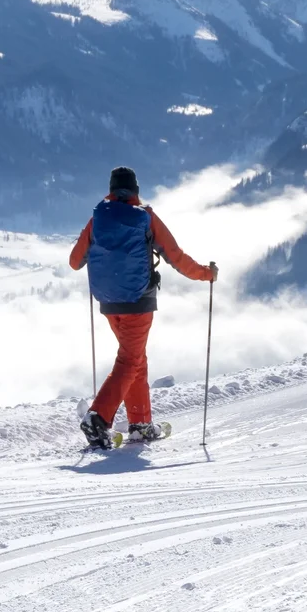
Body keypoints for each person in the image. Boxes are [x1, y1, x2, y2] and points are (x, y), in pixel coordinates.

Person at [69, 166, 217, 447]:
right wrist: (206, 274)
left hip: (109, 304)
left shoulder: (97, 219)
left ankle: (140, 425)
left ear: (111, 190)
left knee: (136, 358)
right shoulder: (145, 217)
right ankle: (97, 419)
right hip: (139, 302)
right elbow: (175, 256)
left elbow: (75, 262)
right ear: (135, 190)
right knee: (129, 360)